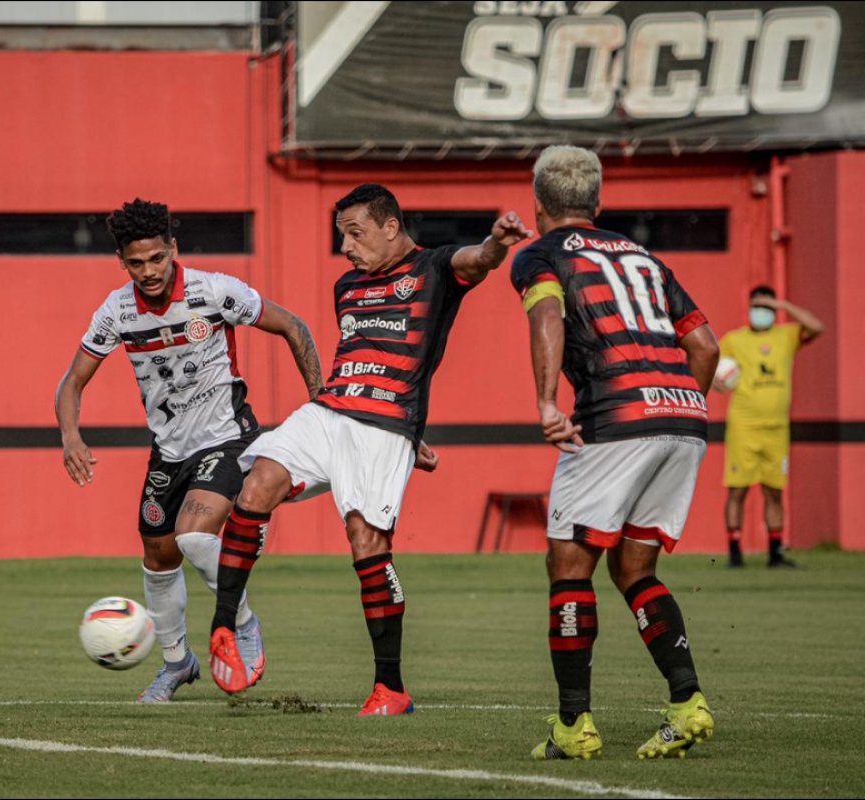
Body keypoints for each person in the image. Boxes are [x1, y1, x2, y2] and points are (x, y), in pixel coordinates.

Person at [206, 183, 531, 716]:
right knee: (257, 483)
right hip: (330, 409)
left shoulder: (433, 269)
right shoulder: (348, 287)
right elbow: (364, 357)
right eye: (342, 236)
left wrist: (497, 242)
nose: (347, 248)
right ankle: (224, 626)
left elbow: (479, 260)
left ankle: (391, 688)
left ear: (390, 227)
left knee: (365, 541)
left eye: (355, 234)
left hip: (383, 427)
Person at [56, 198, 324, 703]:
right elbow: (72, 382)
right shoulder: (116, 311)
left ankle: (242, 622)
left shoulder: (214, 291)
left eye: (157, 258)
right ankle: (177, 663)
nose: (149, 271)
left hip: (228, 437)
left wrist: (321, 404)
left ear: (173, 249)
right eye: (136, 263)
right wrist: (71, 435)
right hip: (169, 451)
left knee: (194, 537)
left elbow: (294, 326)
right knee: (158, 559)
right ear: (121, 262)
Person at [511, 145, 720, 759]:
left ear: (539, 203)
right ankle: (687, 703)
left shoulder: (541, 254)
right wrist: (673, 407)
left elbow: (548, 316)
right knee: (634, 569)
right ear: (597, 203)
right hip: (683, 413)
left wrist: (546, 402)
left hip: (613, 417)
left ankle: (573, 726)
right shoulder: (643, 256)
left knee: (569, 566)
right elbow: (705, 346)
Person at [716, 286, 823, 569]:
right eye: (757, 305)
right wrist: (717, 381)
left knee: (774, 491)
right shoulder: (734, 340)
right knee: (737, 490)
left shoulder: (786, 336)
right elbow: (712, 364)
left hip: (777, 428)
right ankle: (734, 554)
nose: (761, 311)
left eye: (766, 306)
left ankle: (775, 555)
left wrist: (782, 304)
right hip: (744, 427)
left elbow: (817, 327)